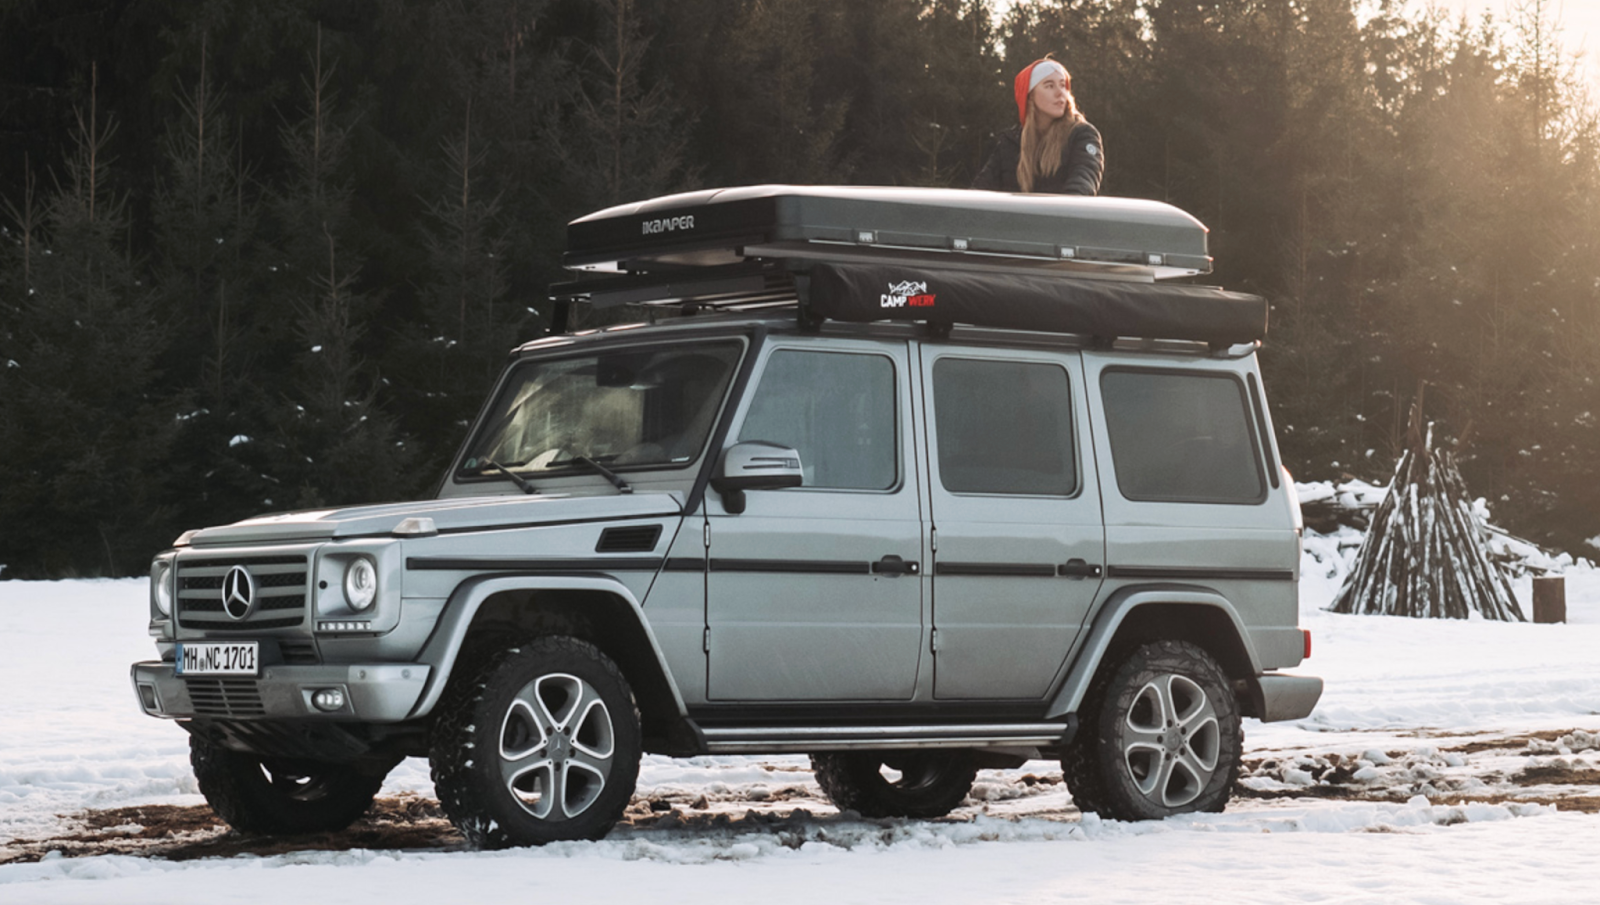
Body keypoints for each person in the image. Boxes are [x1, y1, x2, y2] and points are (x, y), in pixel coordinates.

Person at [973, 57, 1103, 195]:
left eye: (1062, 85)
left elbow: (1082, 185)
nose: (1060, 93)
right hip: (1019, 216)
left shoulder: (1082, 135)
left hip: (1060, 215)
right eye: (1049, 86)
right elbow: (979, 192)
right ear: (1030, 96)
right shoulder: (1011, 142)